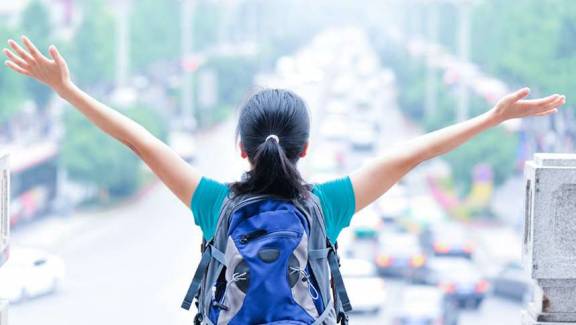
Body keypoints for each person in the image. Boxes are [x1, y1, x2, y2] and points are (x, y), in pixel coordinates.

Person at [2, 35, 566, 314]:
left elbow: (138, 141)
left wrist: (66, 89)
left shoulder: (213, 203)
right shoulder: (329, 205)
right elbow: (407, 157)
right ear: (306, 148)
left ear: (241, 150)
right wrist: (493, 117)